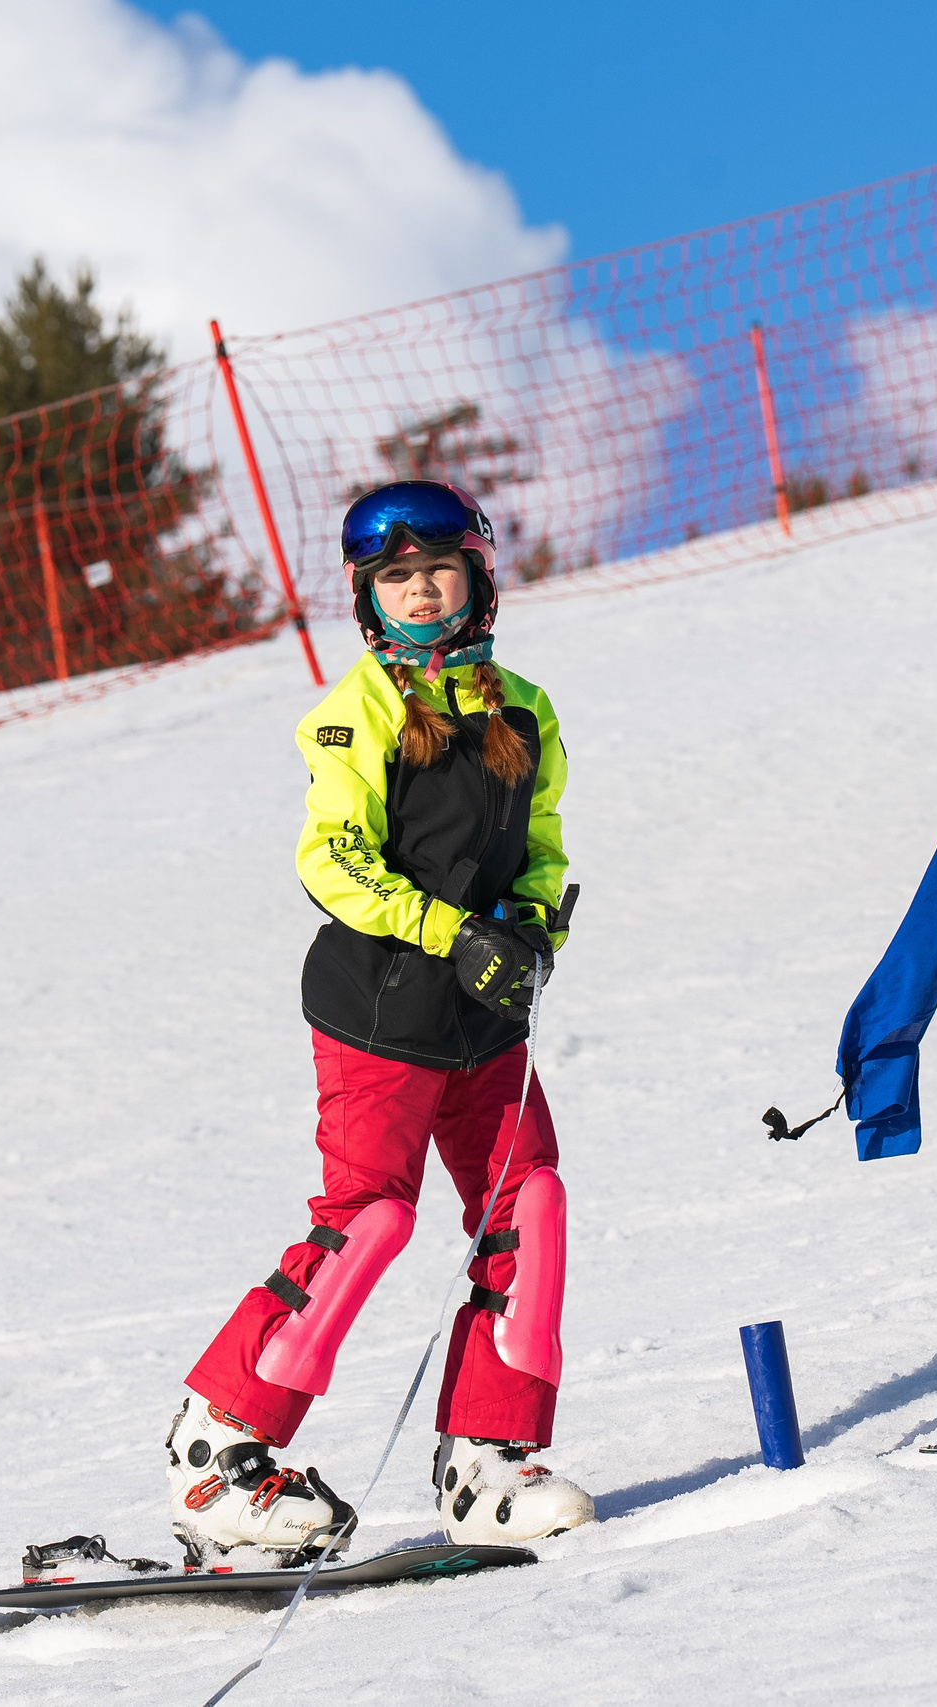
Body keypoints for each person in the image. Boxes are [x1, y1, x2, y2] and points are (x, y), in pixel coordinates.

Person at [162, 478, 594, 1560]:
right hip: (380, 1010)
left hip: (484, 1015)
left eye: (439, 569)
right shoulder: (353, 710)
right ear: (367, 596)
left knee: (530, 1207)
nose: (420, 590)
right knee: (371, 1219)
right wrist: (455, 933)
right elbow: (333, 860)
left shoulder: (523, 708)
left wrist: (530, 924)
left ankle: (488, 1460)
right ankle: (221, 1450)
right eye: (396, 577)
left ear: (478, 578)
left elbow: (540, 842)